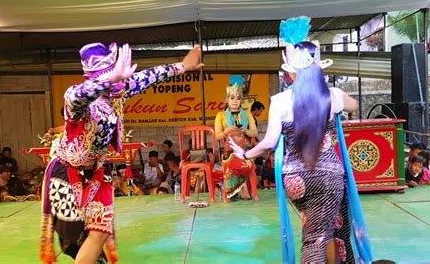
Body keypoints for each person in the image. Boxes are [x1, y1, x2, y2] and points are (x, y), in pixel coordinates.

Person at [39, 42, 203, 264]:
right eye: (110, 76)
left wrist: (182, 66)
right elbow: (76, 96)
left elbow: (149, 76)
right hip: (67, 175)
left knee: (100, 232)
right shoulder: (79, 102)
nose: (119, 84)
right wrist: (107, 81)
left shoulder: (119, 91)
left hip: (96, 173)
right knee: (73, 243)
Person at [230, 39, 359, 262]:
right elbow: (354, 105)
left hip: (295, 179)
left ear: (291, 73)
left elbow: (269, 142)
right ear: (318, 68)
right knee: (316, 238)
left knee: (321, 229)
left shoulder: (279, 101)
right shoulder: (334, 96)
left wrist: (245, 154)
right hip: (328, 177)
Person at [215, 75, 258, 200]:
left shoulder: (247, 114)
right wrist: (226, 131)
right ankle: (243, 187)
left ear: (241, 100)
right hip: (229, 151)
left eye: (238, 98)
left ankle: (235, 190)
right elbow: (218, 137)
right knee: (232, 158)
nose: (235, 101)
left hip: (246, 151)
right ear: (227, 100)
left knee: (240, 158)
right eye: (232, 98)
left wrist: (246, 131)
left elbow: (255, 133)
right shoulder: (221, 115)